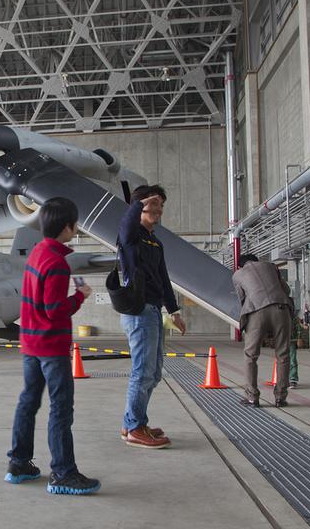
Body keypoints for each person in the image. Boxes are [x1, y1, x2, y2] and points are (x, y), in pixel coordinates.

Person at [5, 197, 100, 495]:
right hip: (51, 347)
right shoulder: (57, 263)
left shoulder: (36, 253)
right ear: (68, 227)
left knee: (28, 402)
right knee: (60, 409)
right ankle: (63, 473)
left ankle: (19, 464)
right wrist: (81, 295)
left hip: (31, 343)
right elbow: (54, 309)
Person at [117, 185, 186, 449]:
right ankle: (135, 427)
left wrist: (174, 312)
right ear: (140, 205)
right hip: (138, 310)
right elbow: (125, 224)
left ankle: (133, 422)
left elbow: (164, 280)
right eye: (154, 204)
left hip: (154, 310)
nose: (158, 209)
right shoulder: (130, 235)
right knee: (143, 371)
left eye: (161, 205)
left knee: (154, 373)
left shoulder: (155, 241)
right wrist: (139, 202)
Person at [232, 254, 293, 407]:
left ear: (240, 266)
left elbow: (241, 297)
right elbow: (286, 289)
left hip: (257, 311)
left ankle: (252, 397)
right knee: (283, 354)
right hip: (281, 308)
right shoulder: (271, 267)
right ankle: (280, 397)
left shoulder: (238, 274)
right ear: (256, 260)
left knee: (250, 356)